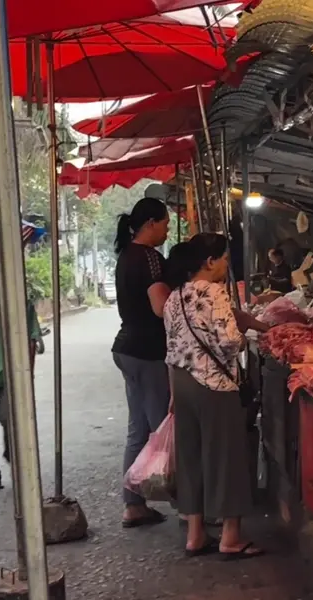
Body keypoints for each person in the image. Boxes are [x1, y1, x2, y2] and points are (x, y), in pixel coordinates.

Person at [163, 233, 269, 558]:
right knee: (226, 457)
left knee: (191, 457)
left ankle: (195, 535)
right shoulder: (214, 292)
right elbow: (230, 342)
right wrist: (244, 335)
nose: (225, 265)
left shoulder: (174, 296)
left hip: (182, 383)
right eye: (223, 259)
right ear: (209, 262)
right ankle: (230, 538)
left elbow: (171, 347)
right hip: (213, 385)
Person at [111, 197, 171, 528]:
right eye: (164, 224)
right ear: (150, 224)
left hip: (127, 349)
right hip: (147, 351)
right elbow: (161, 307)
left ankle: (133, 504)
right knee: (164, 428)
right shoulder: (149, 257)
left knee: (139, 428)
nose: (166, 231)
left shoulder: (126, 255)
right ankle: (187, 506)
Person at [0, 260, 41, 491]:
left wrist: (27, 373)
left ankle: (13, 452)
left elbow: (31, 339)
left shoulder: (17, 299)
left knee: (8, 416)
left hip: (9, 370)